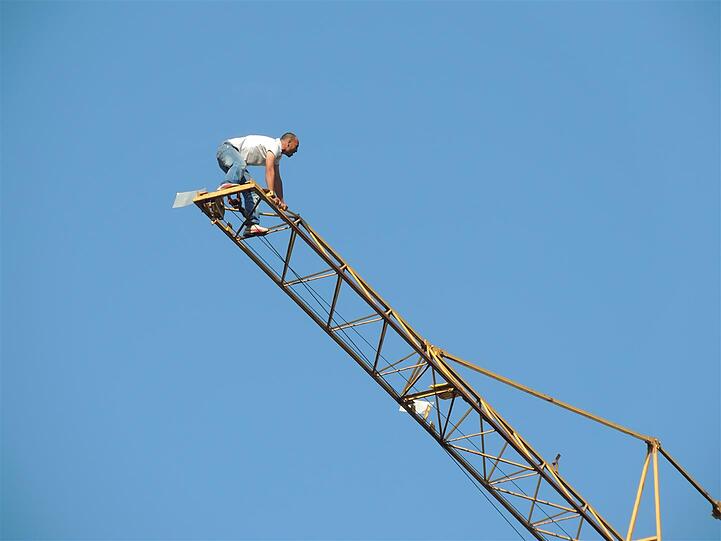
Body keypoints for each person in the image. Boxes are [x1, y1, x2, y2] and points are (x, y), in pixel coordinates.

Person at [216, 132, 300, 235]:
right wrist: (271, 193)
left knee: (252, 191)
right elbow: (269, 170)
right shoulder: (274, 145)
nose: (296, 150)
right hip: (227, 149)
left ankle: (252, 225)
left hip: (234, 161)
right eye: (296, 146)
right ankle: (226, 185)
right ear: (288, 142)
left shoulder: (277, 156)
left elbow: (277, 179)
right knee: (241, 164)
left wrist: (281, 202)